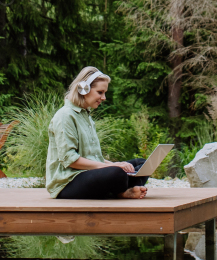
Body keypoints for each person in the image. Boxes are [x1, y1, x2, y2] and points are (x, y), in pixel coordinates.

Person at [46, 66, 149, 199]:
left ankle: (120, 189)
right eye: (100, 92)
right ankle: (121, 191)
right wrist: (113, 167)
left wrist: (114, 165)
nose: (104, 97)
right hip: (67, 183)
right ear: (83, 89)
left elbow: (92, 158)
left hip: (88, 175)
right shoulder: (65, 115)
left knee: (142, 164)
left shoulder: (86, 116)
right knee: (116, 173)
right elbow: (70, 160)